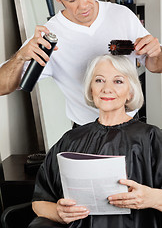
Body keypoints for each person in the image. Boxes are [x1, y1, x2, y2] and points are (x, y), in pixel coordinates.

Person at [28, 54, 162, 228]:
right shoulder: (70, 140)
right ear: (91, 89)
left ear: (130, 92)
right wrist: (59, 213)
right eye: (99, 80)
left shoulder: (152, 138)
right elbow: (39, 202)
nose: (107, 88)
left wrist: (152, 198)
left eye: (118, 81)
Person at [0, 0, 162, 125]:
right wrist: (20, 57)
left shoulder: (122, 15)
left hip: (130, 123)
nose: (84, 5)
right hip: (86, 131)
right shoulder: (49, 37)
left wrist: (156, 53)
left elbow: (155, 66)